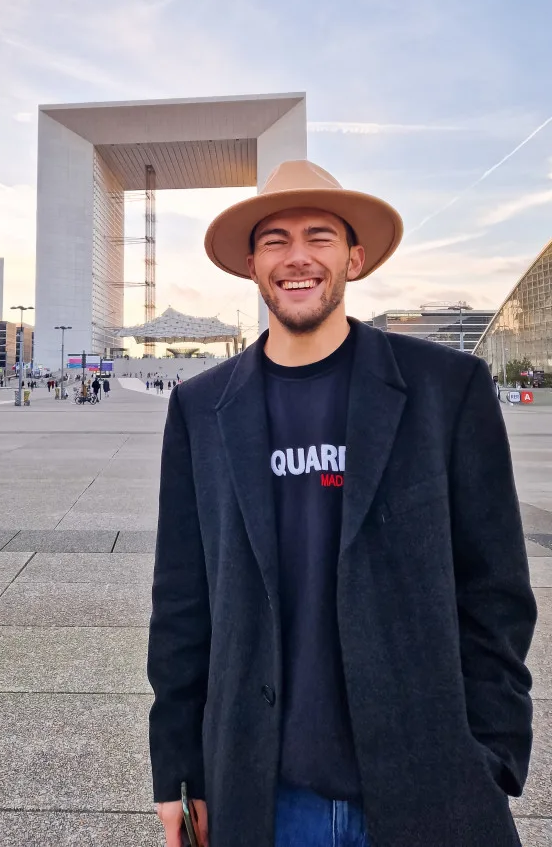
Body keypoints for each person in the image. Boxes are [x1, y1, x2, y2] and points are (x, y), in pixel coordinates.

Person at [147, 159, 535, 847]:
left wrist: (492, 754)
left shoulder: (448, 390)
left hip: (429, 786)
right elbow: (183, 603)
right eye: (275, 239)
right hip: (268, 796)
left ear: (353, 256)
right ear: (251, 263)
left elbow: (496, 591)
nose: (298, 257)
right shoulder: (201, 409)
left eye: (319, 236)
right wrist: (177, 768)